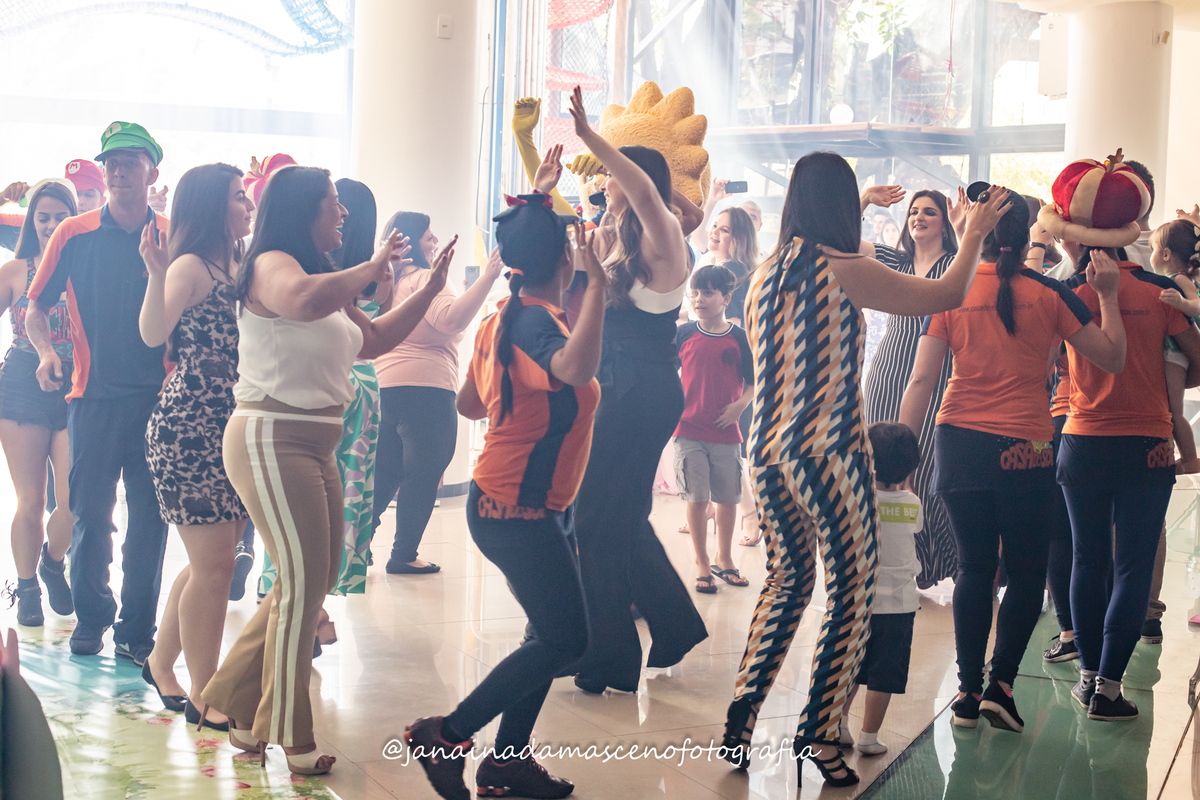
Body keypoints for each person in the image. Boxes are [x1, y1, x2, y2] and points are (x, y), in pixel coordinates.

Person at [720, 151, 1009, 788]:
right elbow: (946, 294)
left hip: (766, 454)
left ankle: (741, 718)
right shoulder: (843, 268)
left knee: (785, 584)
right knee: (852, 594)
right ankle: (820, 734)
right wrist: (974, 233)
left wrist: (860, 207)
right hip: (829, 455)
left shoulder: (767, 274)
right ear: (839, 204)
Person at [198, 165, 452, 775]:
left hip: (316, 442)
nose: (342, 214)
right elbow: (303, 300)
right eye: (333, 203)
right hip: (271, 437)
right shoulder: (272, 265)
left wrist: (429, 289)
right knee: (303, 584)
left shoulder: (322, 279)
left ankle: (235, 705)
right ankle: (289, 734)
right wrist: (372, 267)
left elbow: (375, 340)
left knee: (313, 578)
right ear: (302, 209)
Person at [899, 186, 1126, 734]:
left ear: (978, 234)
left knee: (973, 568)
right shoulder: (1051, 293)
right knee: (1025, 571)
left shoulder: (951, 290)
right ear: (1028, 240)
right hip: (1028, 446)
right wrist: (1110, 297)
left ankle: (967, 692)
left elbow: (922, 379)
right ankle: (1001, 686)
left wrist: (902, 460)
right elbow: (1113, 358)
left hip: (958, 441)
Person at [406, 200, 605, 800]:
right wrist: (597, 288)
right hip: (516, 508)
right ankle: (446, 734)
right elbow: (575, 369)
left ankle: (507, 763)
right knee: (567, 642)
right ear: (566, 259)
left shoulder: (506, 318)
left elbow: (469, 403)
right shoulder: (533, 322)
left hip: (527, 503)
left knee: (546, 634)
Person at [559, 86, 708, 695]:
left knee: (596, 517)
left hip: (642, 391)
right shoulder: (613, 239)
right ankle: (672, 625)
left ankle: (611, 656)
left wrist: (590, 135)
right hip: (613, 388)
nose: (603, 182)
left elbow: (647, 192)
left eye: (612, 174)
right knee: (614, 515)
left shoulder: (666, 237)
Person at [27, 121, 171, 662]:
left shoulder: (172, 234)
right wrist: (46, 352)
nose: (117, 171)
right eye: (111, 162)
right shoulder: (74, 232)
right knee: (89, 513)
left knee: (150, 519)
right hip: (90, 396)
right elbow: (36, 306)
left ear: (151, 172)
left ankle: (137, 629)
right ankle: (91, 618)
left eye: (130, 162)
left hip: (158, 399)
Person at [137, 163, 254, 724]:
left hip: (229, 428)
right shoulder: (189, 266)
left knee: (211, 561)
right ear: (211, 207)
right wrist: (156, 274)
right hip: (188, 430)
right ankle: (205, 695)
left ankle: (161, 663)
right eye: (237, 196)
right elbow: (152, 334)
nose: (247, 205)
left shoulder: (239, 263)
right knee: (214, 567)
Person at [371, 210, 504, 574]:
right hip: (426, 390)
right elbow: (451, 319)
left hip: (386, 388)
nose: (434, 243)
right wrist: (489, 276)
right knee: (424, 474)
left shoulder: (387, 281)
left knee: (385, 474)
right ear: (413, 243)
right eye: (429, 237)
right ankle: (403, 554)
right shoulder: (427, 279)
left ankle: (356, 545)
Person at [863, 188, 967, 588]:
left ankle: (931, 564)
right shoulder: (895, 260)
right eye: (913, 211)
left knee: (923, 471)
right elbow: (841, 242)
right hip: (888, 370)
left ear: (945, 223)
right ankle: (887, 565)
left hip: (935, 372)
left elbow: (975, 270)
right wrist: (865, 199)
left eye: (929, 212)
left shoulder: (954, 264)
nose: (918, 217)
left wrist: (966, 229)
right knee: (878, 468)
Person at [0, 179, 76, 627]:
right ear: (31, 222)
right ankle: (27, 586)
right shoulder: (15, 271)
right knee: (30, 500)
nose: (51, 224)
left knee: (72, 502)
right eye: (43, 217)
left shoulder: (85, 268)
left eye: (60, 216)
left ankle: (52, 563)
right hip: (21, 385)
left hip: (76, 388)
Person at [838, 422, 922, 756]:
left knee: (851, 667)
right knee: (884, 675)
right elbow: (915, 529)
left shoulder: (857, 501)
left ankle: (839, 724)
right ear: (909, 467)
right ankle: (869, 737)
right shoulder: (912, 504)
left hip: (858, 601)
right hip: (899, 607)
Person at [673, 264, 753, 594]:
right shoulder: (683, 334)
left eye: (708, 293)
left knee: (728, 498)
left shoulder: (739, 338)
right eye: (695, 293)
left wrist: (739, 406)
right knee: (696, 498)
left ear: (725, 299)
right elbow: (668, 373)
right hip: (688, 429)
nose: (699, 299)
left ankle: (725, 557)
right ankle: (702, 561)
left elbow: (753, 382)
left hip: (726, 432)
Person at [1151, 218, 1200, 473]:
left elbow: (1196, 305)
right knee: (1171, 408)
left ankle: (1190, 460)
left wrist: (1181, 304)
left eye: (1153, 250)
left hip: (1176, 351)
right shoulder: (1181, 278)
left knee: (1173, 410)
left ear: (1166, 254)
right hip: (1176, 349)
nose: (1150, 256)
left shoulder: (1178, 279)